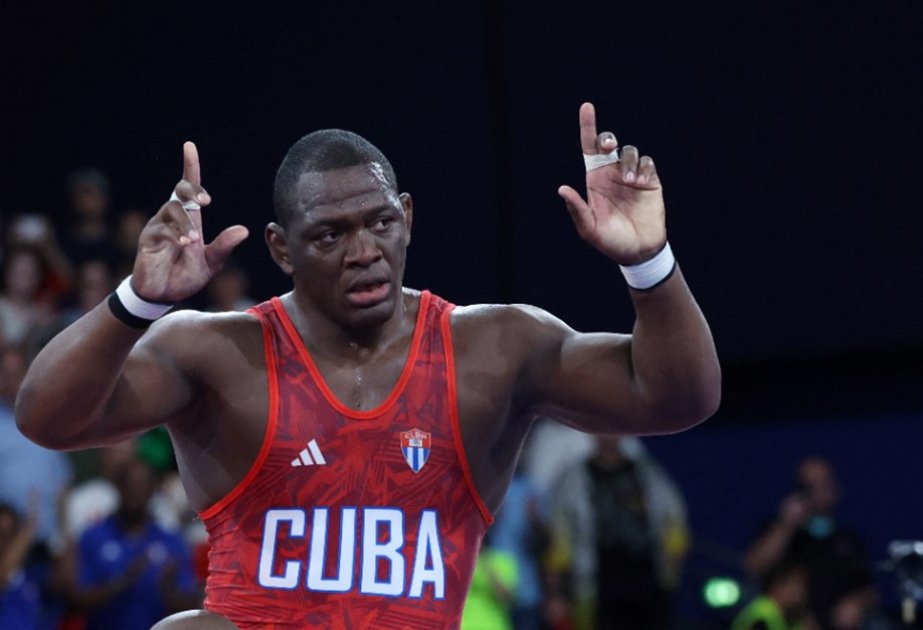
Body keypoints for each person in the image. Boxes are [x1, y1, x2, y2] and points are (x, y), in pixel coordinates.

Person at [14, 102, 721, 628]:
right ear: (282, 248)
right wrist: (137, 300)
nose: (364, 252)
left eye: (380, 222)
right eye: (330, 235)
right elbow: (47, 418)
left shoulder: (494, 347)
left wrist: (647, 263)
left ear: (406, 215)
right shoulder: (219, 353)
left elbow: (677, 399)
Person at [548, 435, 690, 630]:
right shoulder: (575, 478)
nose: (609, 436)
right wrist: (556, 586)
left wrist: (674, 552)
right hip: (600, 577)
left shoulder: (645, 471)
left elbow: (671, 512)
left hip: (646, 573)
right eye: (603, 430)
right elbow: (561, 529)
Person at [744, 457, 876, 630]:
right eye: (807, 486)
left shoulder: (847, 541)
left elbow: (869, 589)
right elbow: (752, 567)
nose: (816, 492)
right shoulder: (779, 529)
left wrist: (857, 603)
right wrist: (786, 525)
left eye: (823, 484)